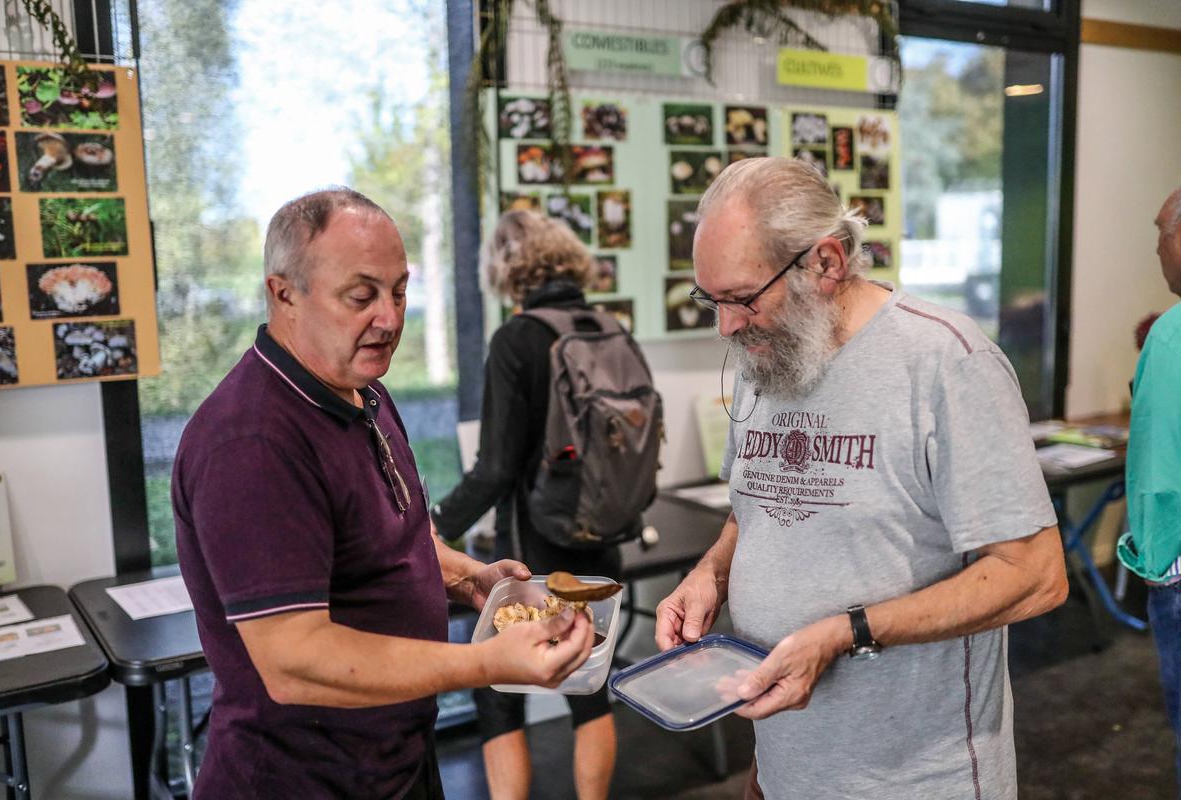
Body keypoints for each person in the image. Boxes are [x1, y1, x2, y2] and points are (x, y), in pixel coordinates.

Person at [653, 158, 1068, 799]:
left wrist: (847, 633)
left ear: (826, 262)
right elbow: (756, 509)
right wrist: (713, 572)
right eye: (711, 300)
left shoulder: (947, 363)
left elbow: (1035, 575)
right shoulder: (769, 358)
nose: (726, 325)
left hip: (917, 777)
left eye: (741, 298)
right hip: (790, 763)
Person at [172, 189, 593, 800]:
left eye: (398, 291)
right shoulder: (252, 441)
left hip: (394, 761)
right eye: (361, 295)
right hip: (302, 781)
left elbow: (391, 535)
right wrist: (488, 664)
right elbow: (294, 661)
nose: (392, 318)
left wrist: (465, 575)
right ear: (283, 293)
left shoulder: (359, 387)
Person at [430, 210, 622, 800]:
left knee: (497, 700)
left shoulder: (516, 339)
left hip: (531, 549)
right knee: (590, 690)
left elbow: (493, 470)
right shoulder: (605, 325)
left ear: (506, 271)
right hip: (601, 535)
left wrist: (431, 529)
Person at [1117, 186, 1181, 788]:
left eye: (1161, 234)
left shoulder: (1171, 335)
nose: (1156, 250)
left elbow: (1159, 477)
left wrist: (1157, 568)